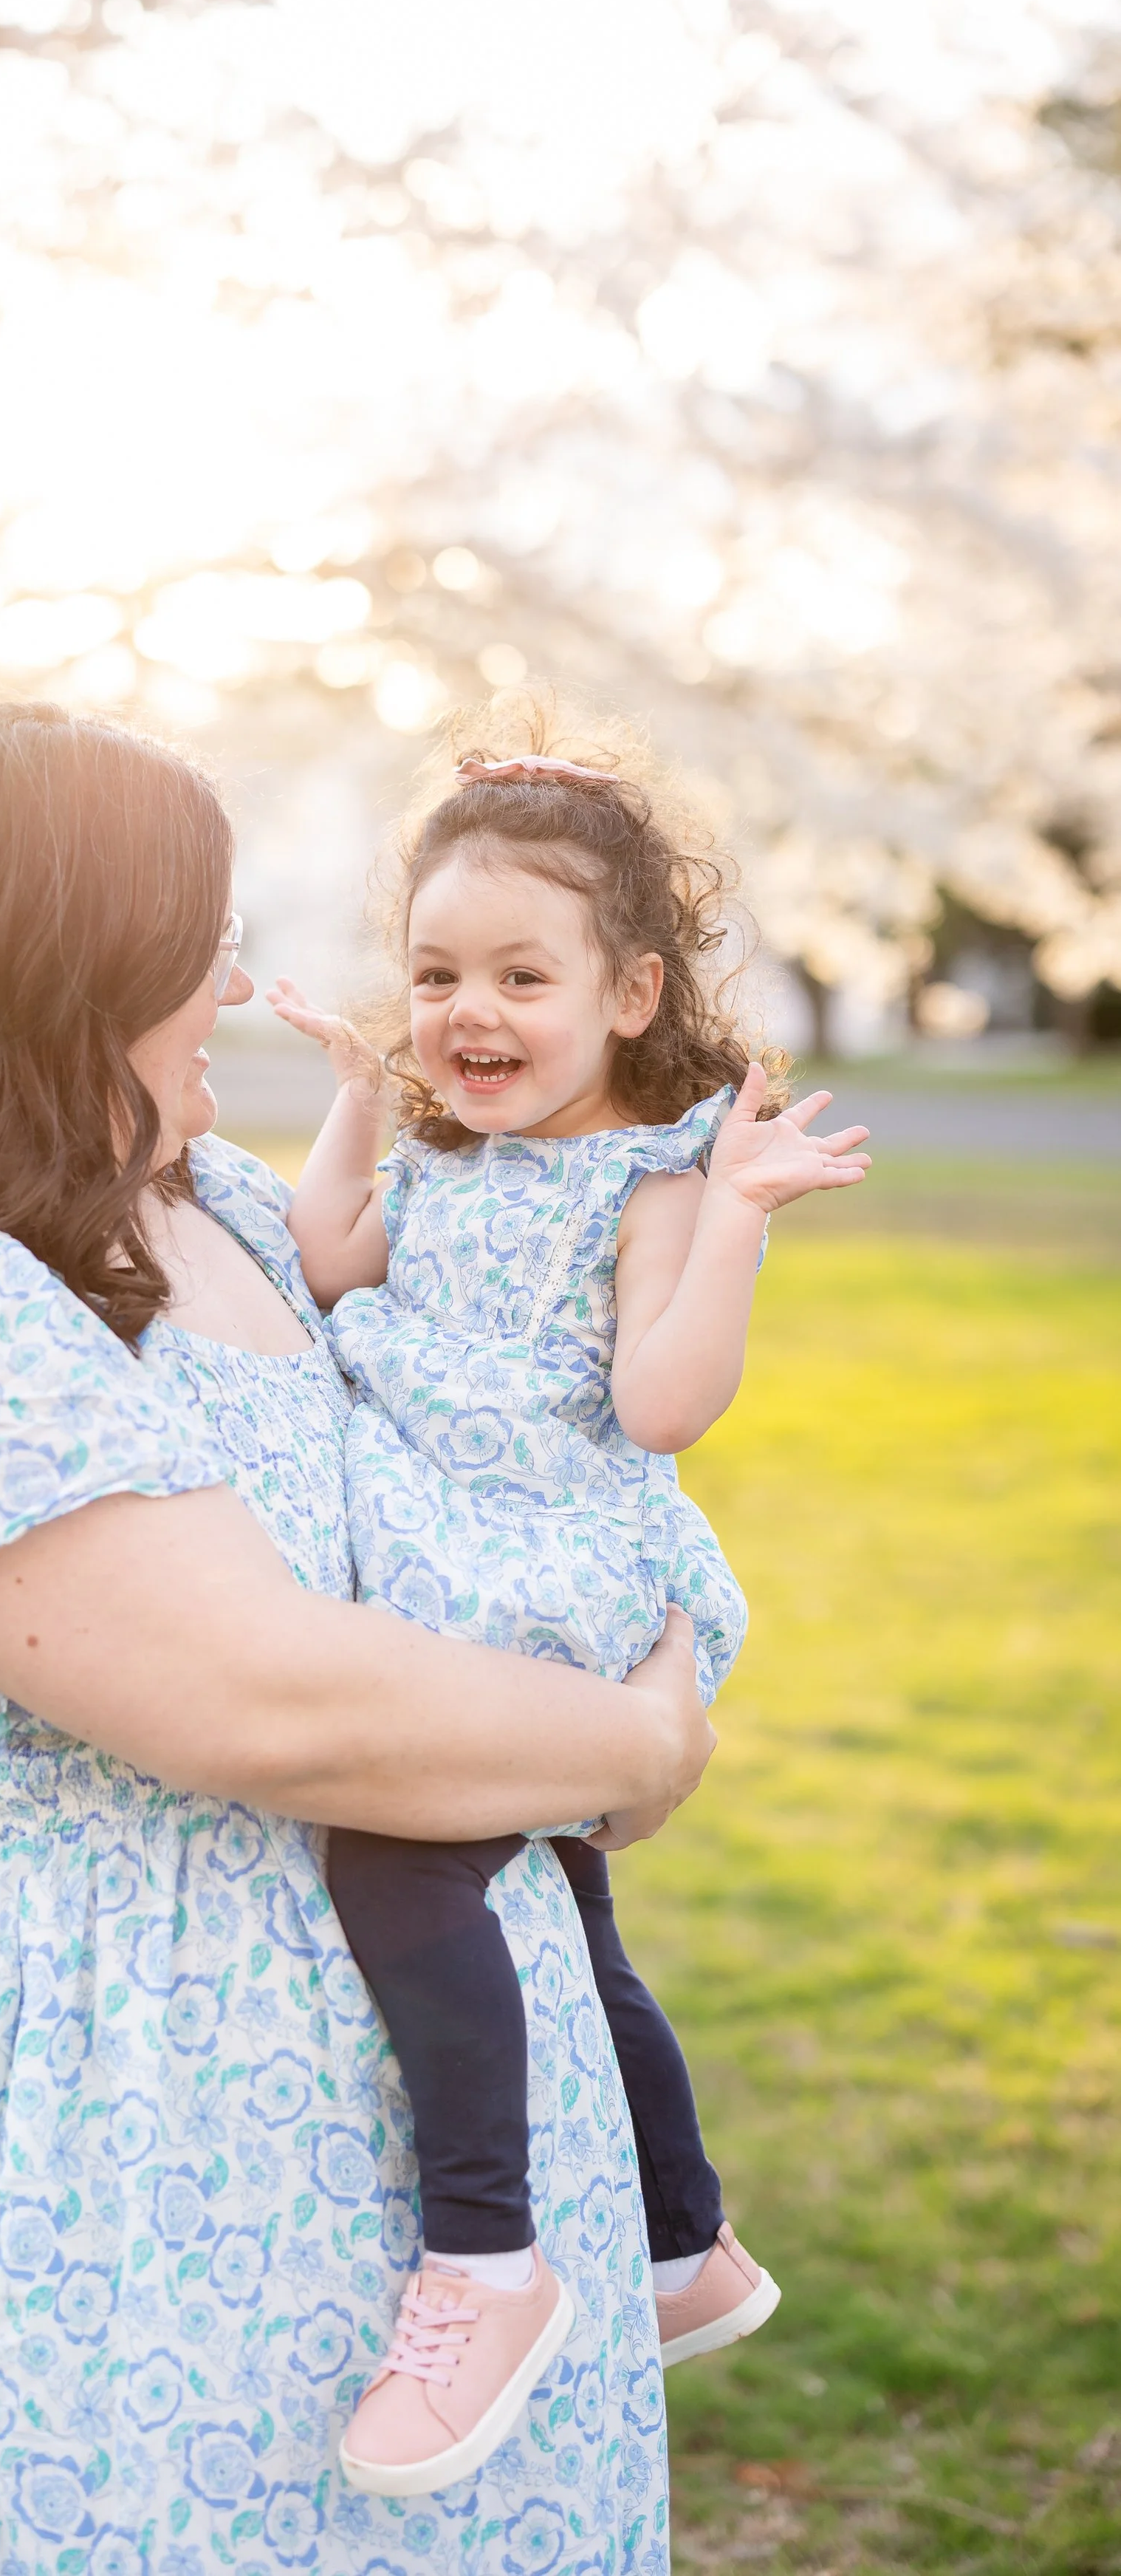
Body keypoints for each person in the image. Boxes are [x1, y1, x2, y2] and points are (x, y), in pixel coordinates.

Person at [0, 703, 713, 2576]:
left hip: (395, 2135)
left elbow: (500, 1440)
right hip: (91, 2145)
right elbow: (261, 1702)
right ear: (80, 967)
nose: (229, 982)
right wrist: (638, 1741)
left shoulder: (220, 1214)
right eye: (197, 943)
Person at [267, 691, 871, 2496]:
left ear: (627, 997)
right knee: (556, 1905)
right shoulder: (449, 1153)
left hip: (540, 1554)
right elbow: (324, 1264)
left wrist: (737, 1213)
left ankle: (484, 2258)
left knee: (398, 1841)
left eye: (520, 978)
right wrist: (354, 1110)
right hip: (444, 1534)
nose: (468, 1014)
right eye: (434, 976)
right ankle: (680, 2244)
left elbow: (659, 1405)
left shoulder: (648, 1179)